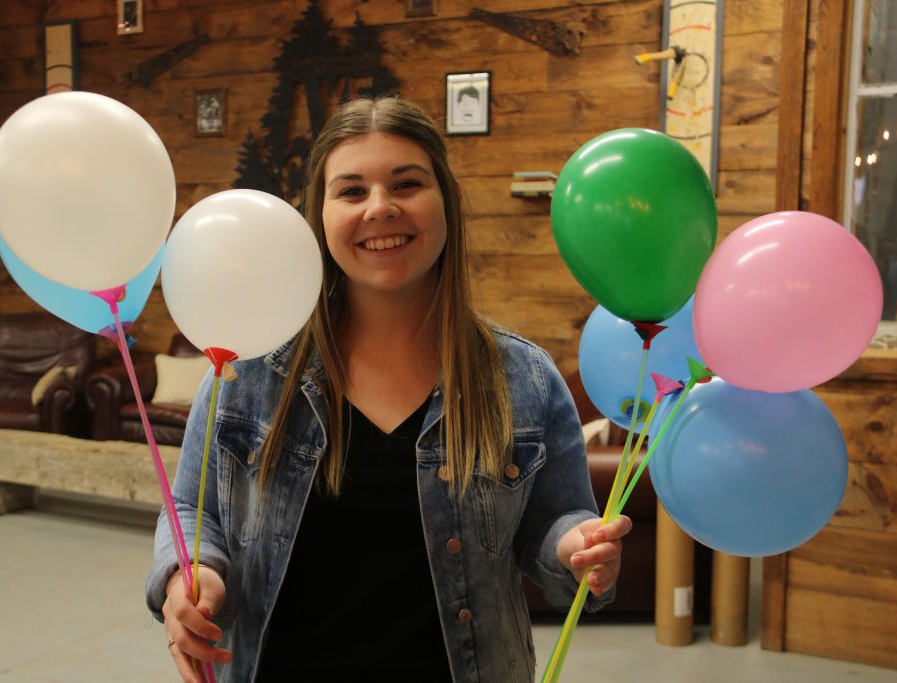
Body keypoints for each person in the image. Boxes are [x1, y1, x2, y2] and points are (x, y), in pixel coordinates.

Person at [145, 95, 631, 682]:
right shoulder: (246, 372)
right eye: (351, 191)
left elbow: (554, 523)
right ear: (319, 217)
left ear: (445, 203)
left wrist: (574, 545)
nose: (380, 208)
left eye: (407, 184)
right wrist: (190, 573)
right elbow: (194, 510)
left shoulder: (521, 379)